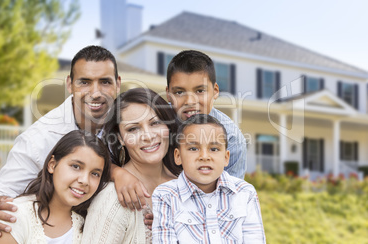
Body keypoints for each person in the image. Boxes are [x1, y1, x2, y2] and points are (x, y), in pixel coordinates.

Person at [0, 45, 149, 238]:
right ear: (70, 84)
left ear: (117, 84)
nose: (96, 92)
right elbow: (3, 191)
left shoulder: (127, 120)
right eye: (84, 82)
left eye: (105, 82)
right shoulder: (39, 139)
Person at [81, 88, 182, 243]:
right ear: (120, 138)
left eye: (155, 123)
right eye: (133, 129)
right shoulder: (113, 198)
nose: (148, 136)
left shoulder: (186, 185)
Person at [152, 114, 265, 243]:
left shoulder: (245, 193)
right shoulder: (166, 195)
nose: (204, 156)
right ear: (178, 156)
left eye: (214, 149)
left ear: (226, 157)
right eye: (193, 148)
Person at [0, 130, 111, 244]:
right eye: (76, 166)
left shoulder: (89, 224)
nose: (84, 181)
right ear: (52, 165)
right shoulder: (15, 216)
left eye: (95, 174)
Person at [166, 49, 247, 179]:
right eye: (179, 92)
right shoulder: (156, 123)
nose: (190, 102)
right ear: (168, 94)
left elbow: (232, 194)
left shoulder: (232, 139)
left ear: (215, 91)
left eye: (199, 91)